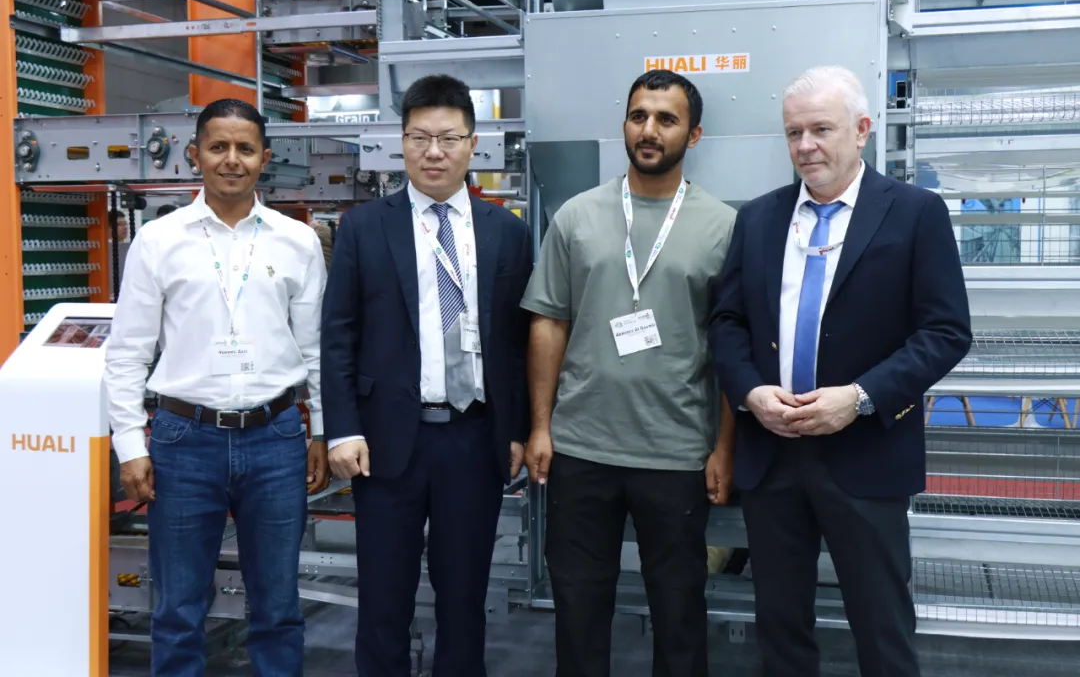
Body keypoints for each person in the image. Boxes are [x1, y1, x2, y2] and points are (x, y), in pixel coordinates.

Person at [709, 65, 972, 677]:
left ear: (861, 130)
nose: (805, 146)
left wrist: (858, 397)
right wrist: (751, 392)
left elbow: (945, 332)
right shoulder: (759, 219)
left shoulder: (914, 213)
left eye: (821, 129)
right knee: (780, 626)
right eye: (793, 132)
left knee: (882, 627)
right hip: (772, 453)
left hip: (866, 453)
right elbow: (726, 322)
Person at [521, 69, 738, 677]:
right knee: (578, 606)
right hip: (582, 448)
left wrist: (725, 446)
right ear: (624, 124)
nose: (649, 130)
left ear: (694, 135)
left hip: (677, 452)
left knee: (679, 608)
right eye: (639, 115)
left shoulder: (723, 226)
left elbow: (732, 347)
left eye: (667, 119)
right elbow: (548, 323)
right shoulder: (576, 217)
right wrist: (541, 427)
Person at [103, 98, 330, 677]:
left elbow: (316, 349)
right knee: (178, 608)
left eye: (245, 149)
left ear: (264, 159)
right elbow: (127, 352)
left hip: (276, 437)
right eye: (218, 147)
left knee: (277, 606)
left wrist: (322, 431)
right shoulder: (158, 240)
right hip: (183, 439)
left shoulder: (297, 241)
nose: (232, 160)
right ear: (195, 154)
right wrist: (129, 445)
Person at [321, 74, 533, 677]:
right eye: (419, 138)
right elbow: (338, 334)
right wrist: (342, 429)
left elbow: (518, 344)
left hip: (474, 437)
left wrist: (517, 429)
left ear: (473, 144)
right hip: (386, 440)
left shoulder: (507, 232)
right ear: (402, 142)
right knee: (382, 595)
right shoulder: (364, 226)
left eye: (448, 138)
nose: (433, 152)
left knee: (464, 594)